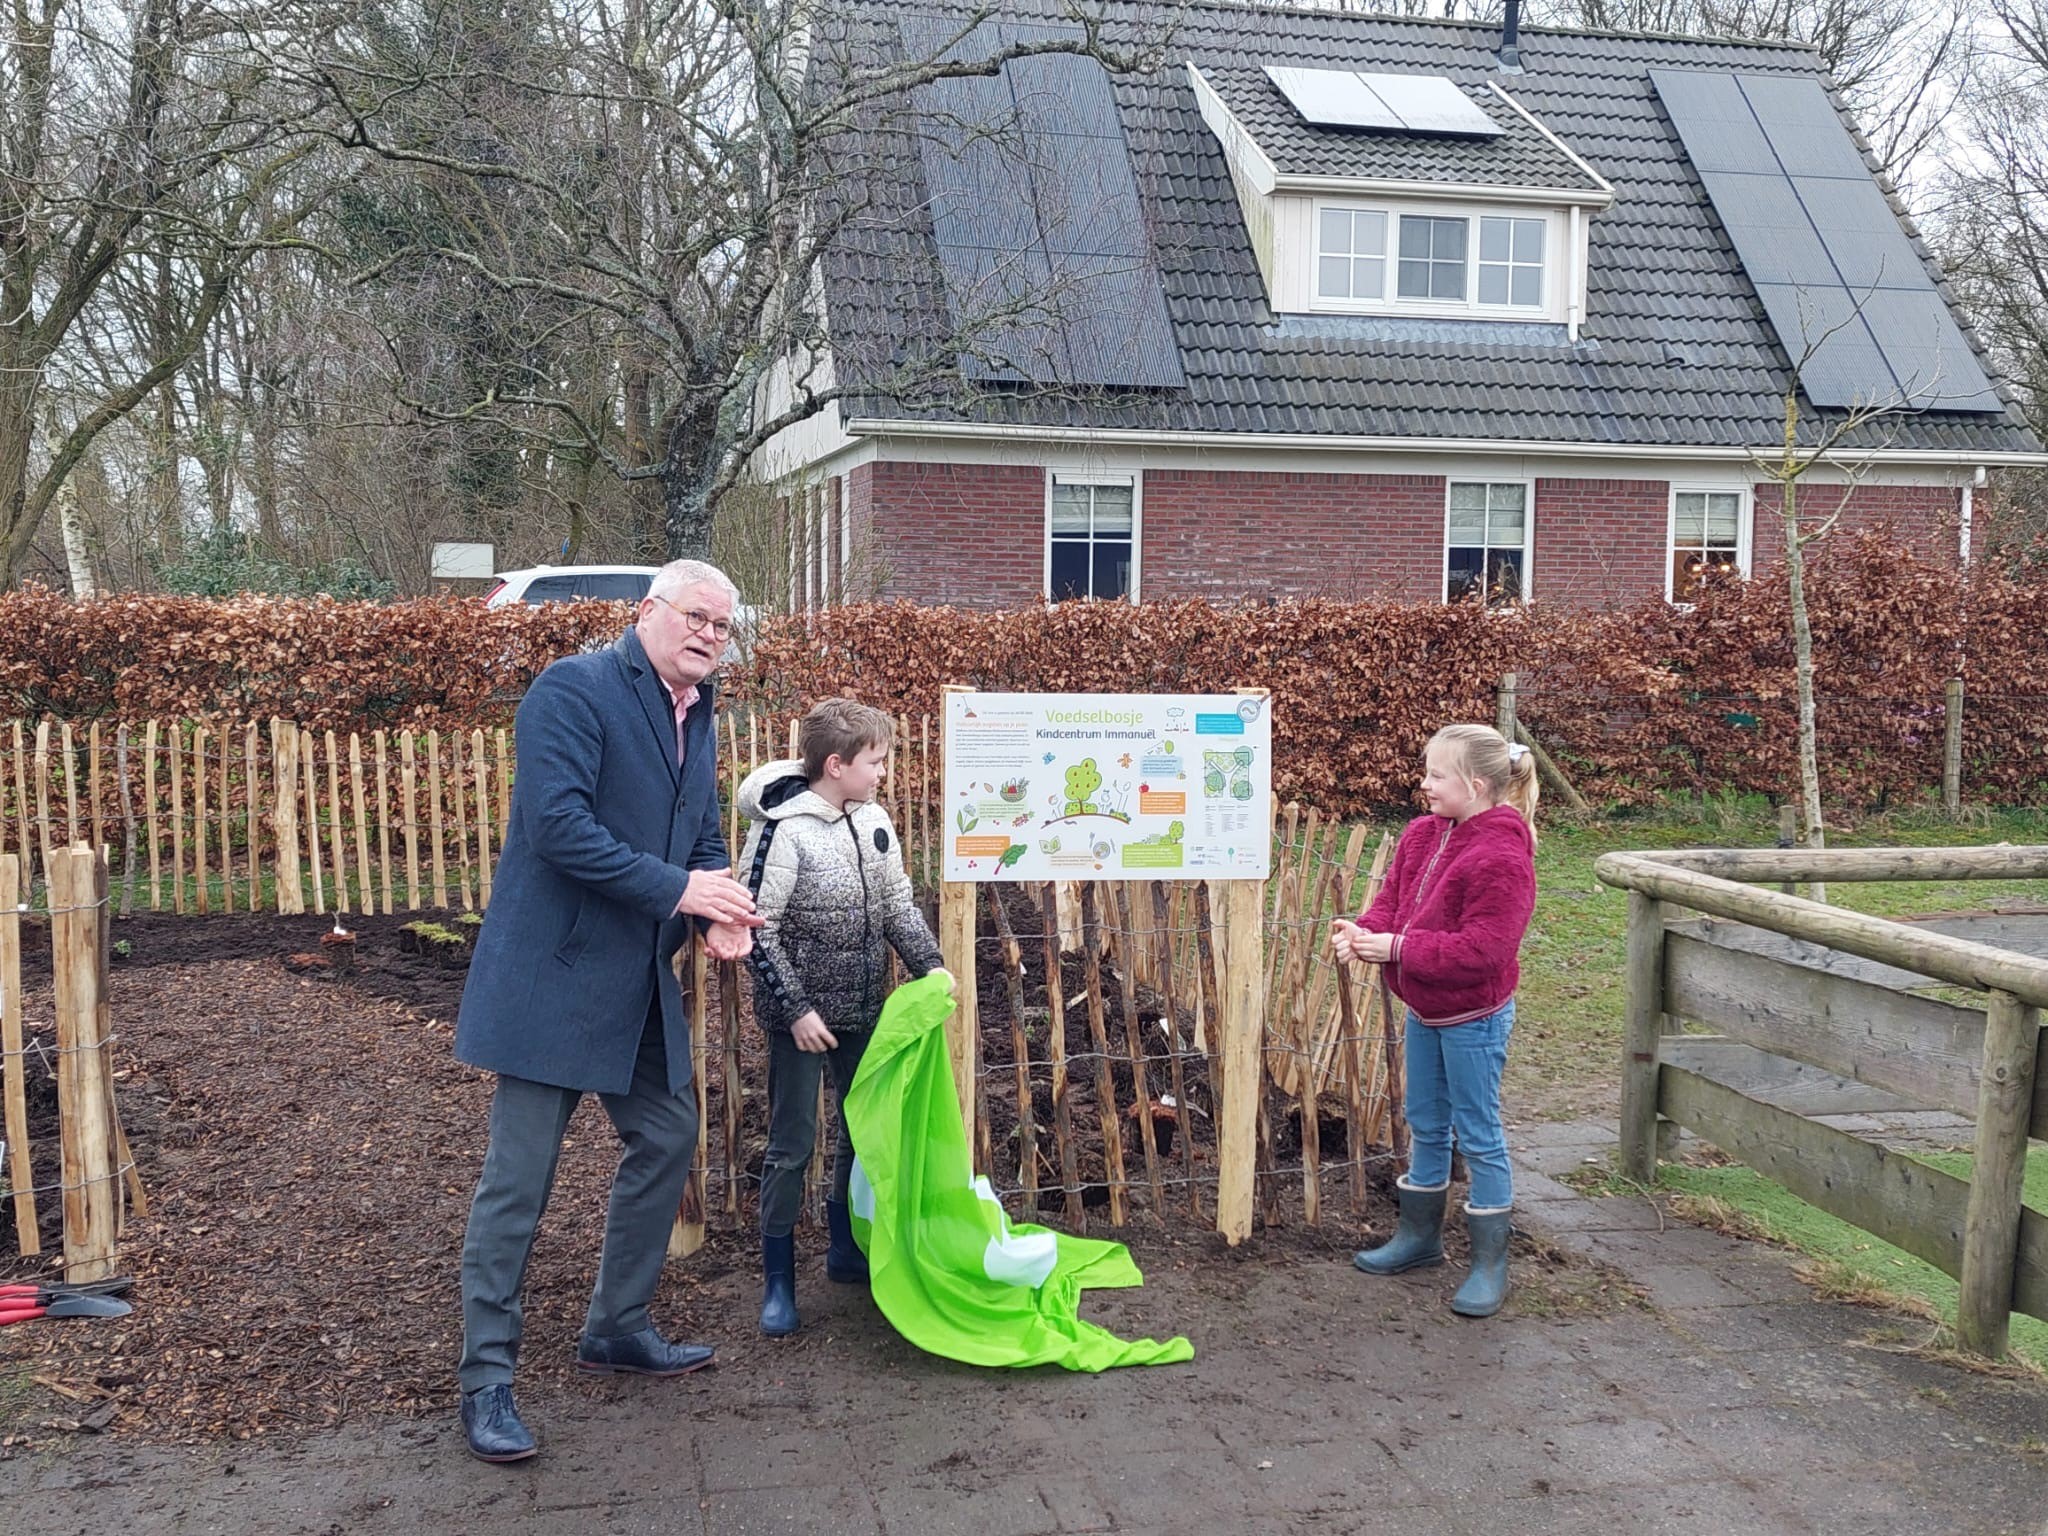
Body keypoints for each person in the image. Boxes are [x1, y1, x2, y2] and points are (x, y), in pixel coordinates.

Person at [452, 558, 762, 1463]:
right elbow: (558, 829)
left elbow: (700, 831)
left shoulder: (699, 710)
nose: (710, 635)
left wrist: (715, 907)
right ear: (648, 612)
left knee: (666, 1135)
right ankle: (485, 1379)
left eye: (722, 625)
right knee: (519, 1183)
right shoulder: (573, 690)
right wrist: (682, 892)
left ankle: (617, 1326)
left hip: (636, 978)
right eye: (696, 617)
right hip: (553, 977)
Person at [736, 698, 946, 1338]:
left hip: (863, 1009)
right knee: (793, 1143)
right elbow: (756, 928)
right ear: (836, 764)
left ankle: (845, 1249)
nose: (883, 772)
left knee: (861, 1130)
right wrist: (797, 1011)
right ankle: (778, 1283)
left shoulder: (874, 819)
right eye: (875, 761)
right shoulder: (782, 830)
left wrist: (930, 967)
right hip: (797, 1021)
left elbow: (896, 904)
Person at [1333, 723, 1538, 1319]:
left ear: (1474, 785)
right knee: (1425, 1118)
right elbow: (1392, 903)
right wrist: (1364, 932)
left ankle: (1489, 1264)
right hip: (1426, 1009)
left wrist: (1397, 949)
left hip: (1475, 1017)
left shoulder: (1502, 856)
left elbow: (1485, 951)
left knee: (1477, 1131)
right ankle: (1419, 1239)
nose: (1424, 784)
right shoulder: (1422, 834)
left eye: (1436, 775)